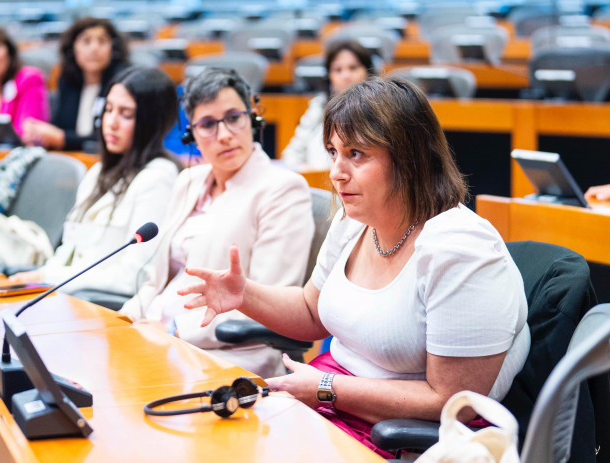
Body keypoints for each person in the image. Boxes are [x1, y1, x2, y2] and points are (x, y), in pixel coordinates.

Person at [178, 77, 529, 457]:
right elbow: (311, 312)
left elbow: (452, 400)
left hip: (401, 437)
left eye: (356, 154)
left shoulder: (461, 250)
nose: (336, 172)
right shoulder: (354, 221)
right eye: (333, 152)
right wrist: (244, 294)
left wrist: (328, 387)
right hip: (333, 402)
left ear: (410, 158)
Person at [120, 68, 315, 378]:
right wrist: (125, 318)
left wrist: (171, 330)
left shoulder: (283, 190)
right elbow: (157, 281)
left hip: (227, 354)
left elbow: (271, 303)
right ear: (191, 135)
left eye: (234, 117)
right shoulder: (188, 181)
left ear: (252, 117)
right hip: (156, 335)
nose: (224, 135)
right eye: (208, 124)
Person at [9, 66, 181, 295]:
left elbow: (135, 277)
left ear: (152, 122)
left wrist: (47, 278)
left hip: (101, 308)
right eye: (108, 110)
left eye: (126, 114)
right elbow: (67, 252)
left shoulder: (158, 177)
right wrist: (38, 279)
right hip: (67, 296)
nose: (111, 122)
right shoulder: (98, 171)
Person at [21, 17, 129, 151]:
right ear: (73, 49)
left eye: (102, 41)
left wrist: (61, 138)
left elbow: (107, 137)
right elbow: (59, 126)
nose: (94, 48)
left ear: (113, 49)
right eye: (86, 41)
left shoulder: (121, 85)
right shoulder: (67, 82)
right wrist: (40, 133)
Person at [281, 39, 374, 170]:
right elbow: (292, 154)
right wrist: (306, 172)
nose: (346, 75)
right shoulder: (319, 105)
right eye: (338, 70)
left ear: (367, 71)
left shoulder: (379, 108)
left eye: (353, 68)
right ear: (329, 76)